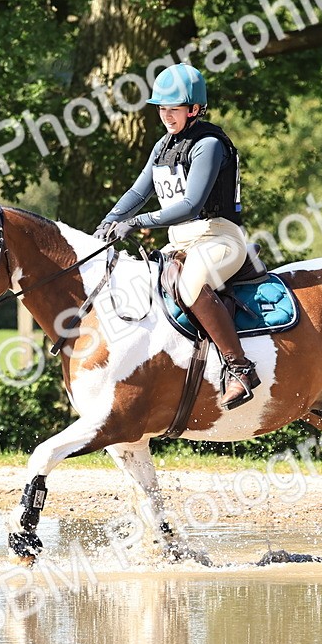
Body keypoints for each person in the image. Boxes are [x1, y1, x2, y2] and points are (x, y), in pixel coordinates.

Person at [94, 64, 260, 410]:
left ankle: (239, 368)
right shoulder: (164, 146)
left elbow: (190, 204)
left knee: (189, 286)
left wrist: (135, 222)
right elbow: (139, 192)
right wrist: (108, 221)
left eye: (173, 108)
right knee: (140, 286)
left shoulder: (209, 144)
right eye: (161, 108)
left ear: (195, 109)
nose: (166, 115)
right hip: (182, 241)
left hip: (218, 237)